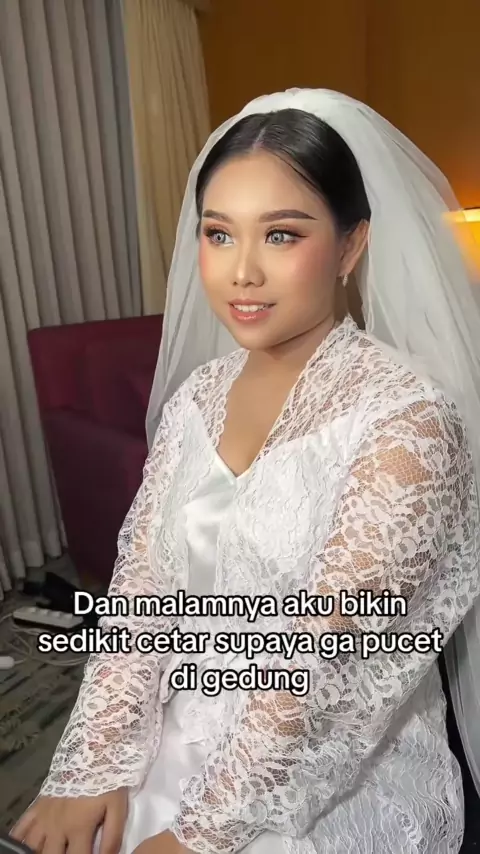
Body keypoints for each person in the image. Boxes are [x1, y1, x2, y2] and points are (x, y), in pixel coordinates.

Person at [10, 89, 480, 854]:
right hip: (185, 718)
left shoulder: (408, 419)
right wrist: (94, 764)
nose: (243, 272)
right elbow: (142, 592)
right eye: (219, 234)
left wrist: (203, 833)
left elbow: (331, 662)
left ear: (351, 247)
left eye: (282, 234)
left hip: (332, 761)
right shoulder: (198, 396)